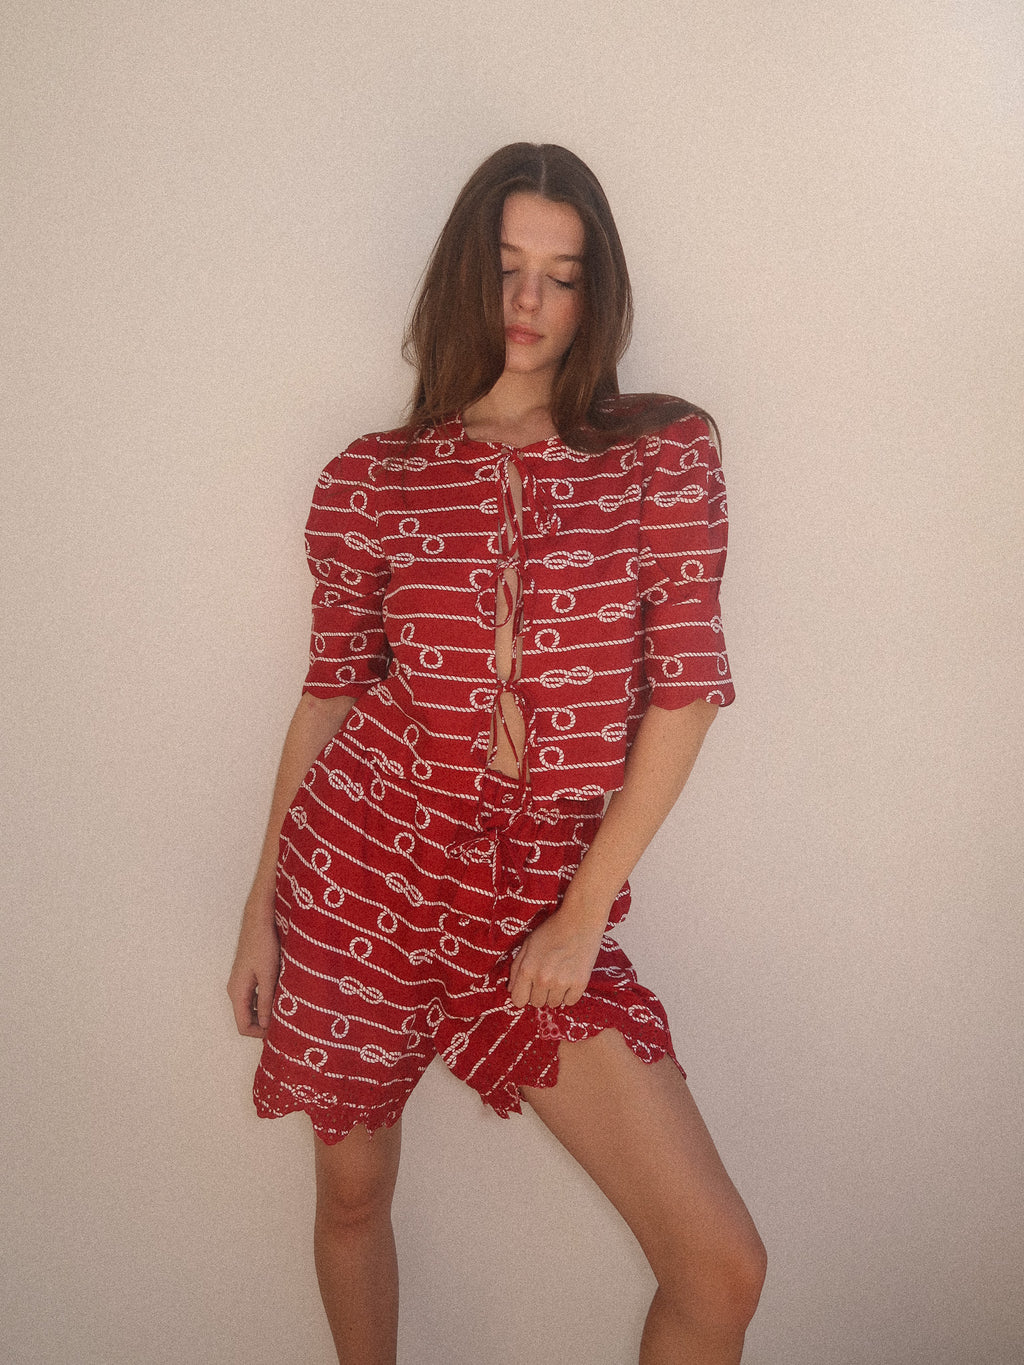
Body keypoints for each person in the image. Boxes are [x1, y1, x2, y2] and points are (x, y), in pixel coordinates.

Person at [228, 142, 766, 1365]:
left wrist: (580, 916)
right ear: (463, 280)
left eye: (562, 276)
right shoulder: (374, 478)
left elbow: (686, 696)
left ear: (597, 294)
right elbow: (327, 697)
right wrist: (263, 904)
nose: (529, 304)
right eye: (507, 268)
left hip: (535, 897)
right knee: (353, 1196)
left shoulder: (661, 458)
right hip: (362, 866)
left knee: (720, 1267)